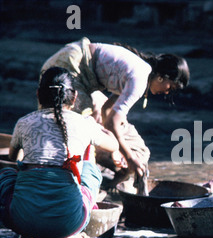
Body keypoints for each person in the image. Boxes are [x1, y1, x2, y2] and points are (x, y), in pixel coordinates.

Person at [40, 37, 190, 188]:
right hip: (71, 66)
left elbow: (106, 109)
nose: (166, 92)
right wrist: (128, 156)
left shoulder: (140, 72)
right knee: (78, 130)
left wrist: (115, 148)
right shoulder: (140, 79)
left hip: (80, 68)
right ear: (161, 77)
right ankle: (71, 184)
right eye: (170, 87)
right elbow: (112, 122)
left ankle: (100, 179)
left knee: (130, 145)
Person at [0, 67, 119, 238]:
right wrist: (98, 128)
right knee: (90, 169)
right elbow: (114, 146)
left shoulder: (24, 122)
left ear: (39, 95)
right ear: (74, 96)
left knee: (7, 175)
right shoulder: (84, 124)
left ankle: (26, 237)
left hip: (21, 221)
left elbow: (13, 156)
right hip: (70, 223)